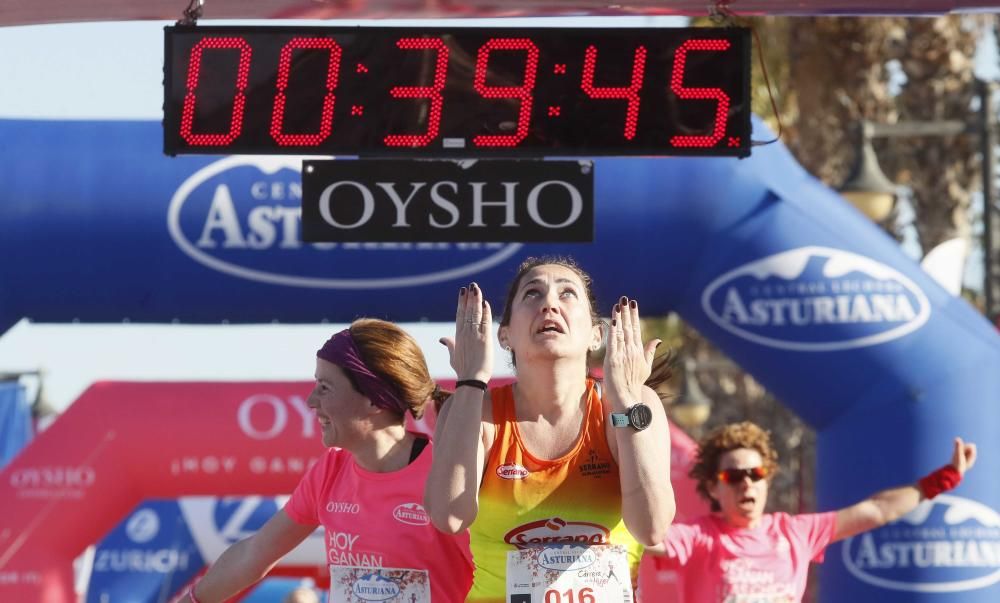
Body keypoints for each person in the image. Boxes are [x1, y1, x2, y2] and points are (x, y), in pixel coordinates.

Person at [425, 256, 676, 602]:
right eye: (532, 293)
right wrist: (470, 381)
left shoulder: (630, 405)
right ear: (505, 335)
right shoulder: (474, 409)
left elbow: (651, 528)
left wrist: (628, 400)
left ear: (596, 335)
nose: (549, 304)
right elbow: (448, 517)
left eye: (567, 293)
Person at [180, 319, 472, 603]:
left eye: (325, 387)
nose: (310, 401)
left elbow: (492, 572)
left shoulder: (446, 475)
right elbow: (254, 553)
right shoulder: (330, 469)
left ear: (374, 400)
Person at [645, 421, 978, 602]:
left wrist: (940, 481)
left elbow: (877, 510)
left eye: (755, 474)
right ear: (713, 488)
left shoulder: (795, 533)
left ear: (766, 481)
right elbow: (650, 537)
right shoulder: (702, 536)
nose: (745, 484)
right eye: (733, 476)